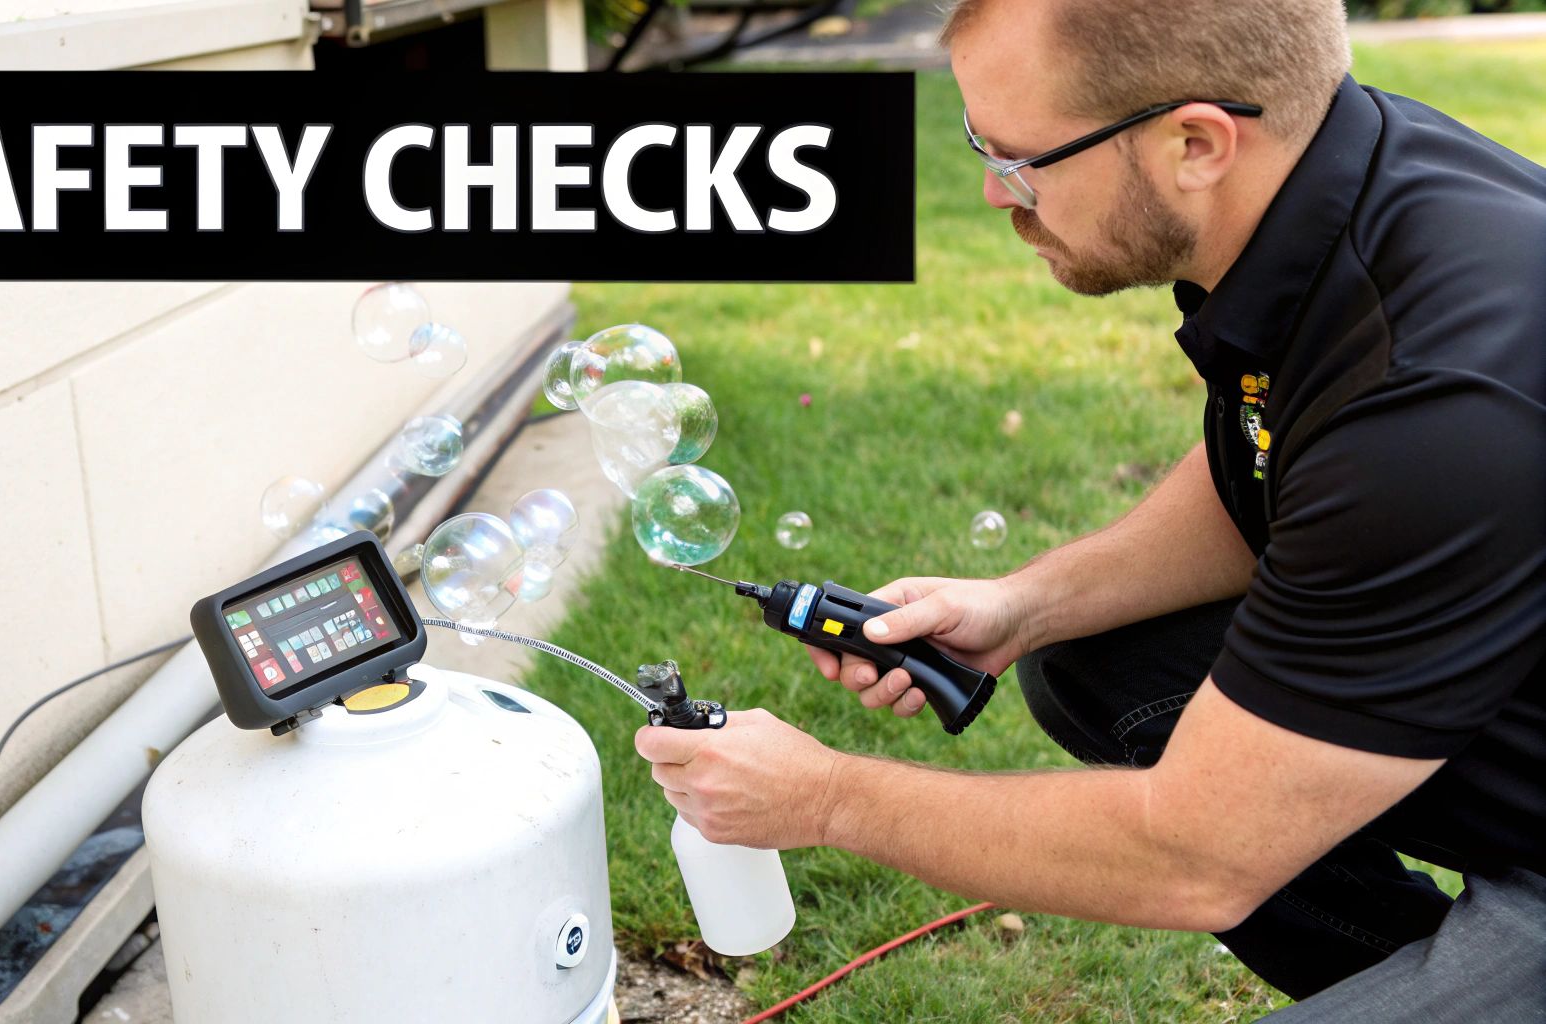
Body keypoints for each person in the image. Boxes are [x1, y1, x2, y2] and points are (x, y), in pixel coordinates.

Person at [633, 0, 1546, 1017]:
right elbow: (1264, 463)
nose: (993, 191)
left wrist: (824, 797)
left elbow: (1190, 855)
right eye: (980, 144)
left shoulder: (1432, 402)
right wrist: (1022, 605)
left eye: (1021, 160)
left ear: (1194, 144)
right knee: (1092, 659)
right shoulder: (1335, 191)